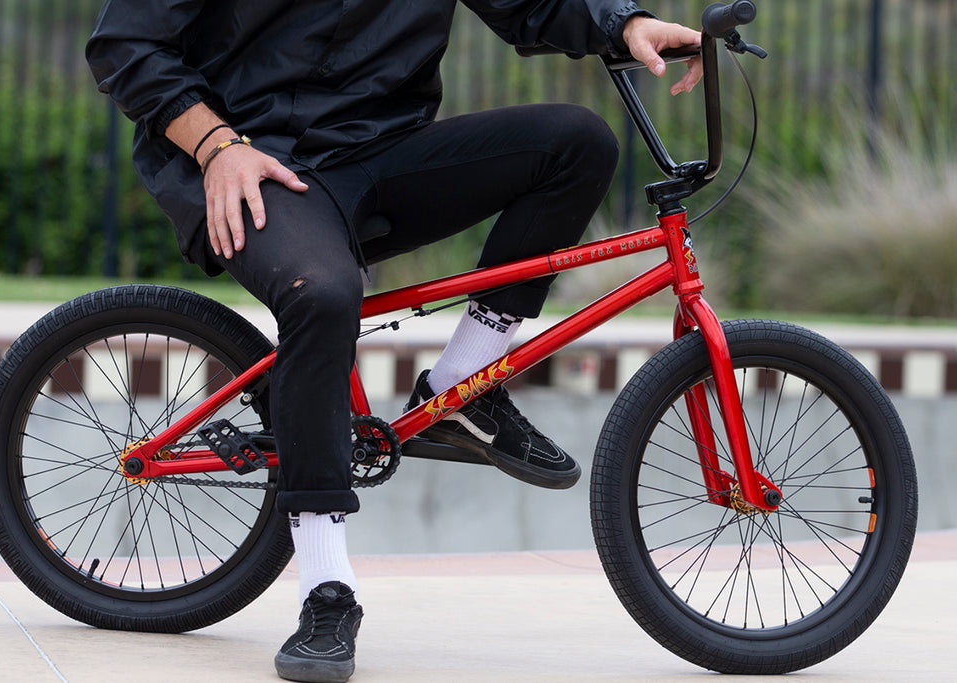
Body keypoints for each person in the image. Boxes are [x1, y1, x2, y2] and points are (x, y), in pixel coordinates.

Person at [86, 2, 701, 680]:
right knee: (322, 295)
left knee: (577, 142)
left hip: (377, 153)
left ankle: (461, 387)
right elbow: (125, 45)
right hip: (250, 157)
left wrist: (625, 23)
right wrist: (217, 147)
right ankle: (327, 590)